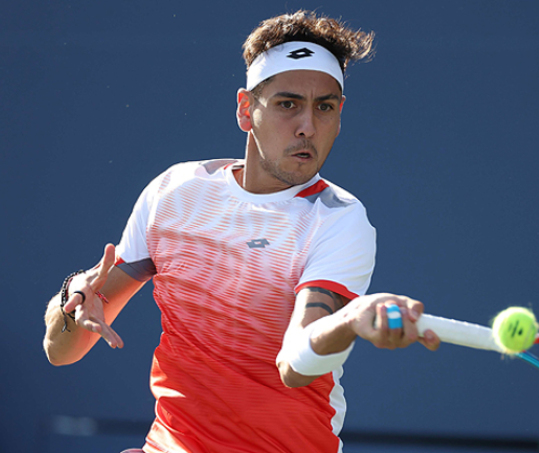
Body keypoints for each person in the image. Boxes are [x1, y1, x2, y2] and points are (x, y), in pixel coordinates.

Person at [43, 10, 440, 453]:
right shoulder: (174, 192)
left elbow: (296, 365)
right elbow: (61, 351)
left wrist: (348, 321)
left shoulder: (338, 220)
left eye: (324, 107)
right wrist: (72, 300)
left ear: (340, 114)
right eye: (288, 104)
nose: (308, 126)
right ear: (246, 110)